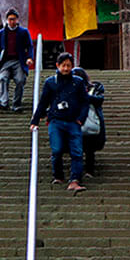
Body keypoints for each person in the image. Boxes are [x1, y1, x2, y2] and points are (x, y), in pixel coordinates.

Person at [30, 52, 90, 192]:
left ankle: (75, 180)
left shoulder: (78, 82)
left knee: (77, 151)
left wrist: (81, 119)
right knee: (56, 150)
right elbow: (43, 102)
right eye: (63, 65)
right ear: (57, 66)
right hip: (55, 120)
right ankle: (58, 175)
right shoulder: (50, 82)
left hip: (73, 121)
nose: (66, 68)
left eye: (68, 65)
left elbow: (85, 102)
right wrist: (35, 120)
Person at [0, 9, 34, 112]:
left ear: (17, 20)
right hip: (5, 60)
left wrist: (29, 58)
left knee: (20, 80)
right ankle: (4, 102)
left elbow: (30, 46)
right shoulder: (2, 32)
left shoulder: (23, 32)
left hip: (19, 60)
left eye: (13, 19)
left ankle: (16, 104)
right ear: (7, 20)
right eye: (10, 19)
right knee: (3, 78)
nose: (12, 21)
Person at [72, 67, 105, 176]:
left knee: (89, 148)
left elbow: (99, 100)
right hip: (74, 121)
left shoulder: (95, 88)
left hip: (90, 121)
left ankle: (89, 170)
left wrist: (83, 95)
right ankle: (77, 171)